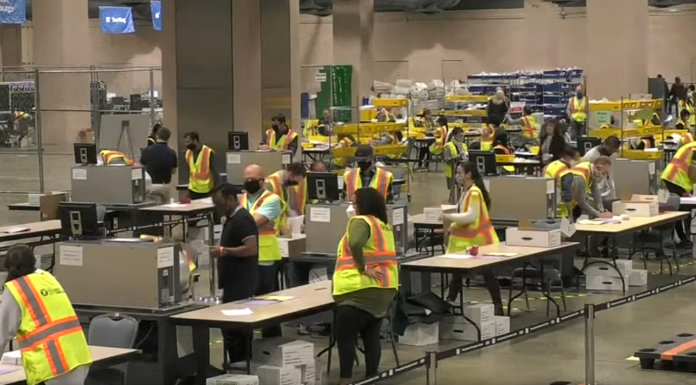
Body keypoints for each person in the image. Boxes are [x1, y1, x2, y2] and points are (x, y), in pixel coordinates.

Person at [0, 244, 92, 385]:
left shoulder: (15, 289)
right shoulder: (47, 278)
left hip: (54, 365)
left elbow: (1, 335)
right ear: (34, 262)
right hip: (78, 357)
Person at [333, 187, 398, 385]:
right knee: (371, 335)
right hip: (385, 289)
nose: (351, 207)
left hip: (359, 291)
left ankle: (345, 380)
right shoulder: (383, 226)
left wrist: (363, 267)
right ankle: (371, 377)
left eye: (354, 203)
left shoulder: (359, 221)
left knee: (345, 336)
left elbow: (355, 243)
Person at [444, 162, 503, 316]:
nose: (457, 176)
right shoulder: (466, 191)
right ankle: (449, 303)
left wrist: (448, 217)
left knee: (487, 274)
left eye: (459, 172)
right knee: (457, 275)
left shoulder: (474, 193)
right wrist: (453, 224)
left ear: (468, 175)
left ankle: (498, 305)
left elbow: (471, 216)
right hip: (469, 242)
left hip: (479, 241)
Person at [209, 184, 259, 364]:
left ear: (230, 199)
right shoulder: (230, 219)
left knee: (236, 327)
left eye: (220, 203)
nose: (218, 207)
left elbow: (250, 249)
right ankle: (236, 363)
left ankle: (241, 363)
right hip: (232, 281)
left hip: (241, 281)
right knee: (229, 327)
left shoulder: (242, 220)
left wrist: (224, 251)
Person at [240, 165, 285, 337]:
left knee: (268, 302)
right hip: (246, 256)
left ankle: (271, 337)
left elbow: (245, 223)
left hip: (266, 257)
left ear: (261, 180)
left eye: (252, 180)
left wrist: (245, 222)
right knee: (247, 301)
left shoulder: (272, 199)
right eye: (246, 180)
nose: (248, 183)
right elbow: (230, 221)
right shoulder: (241, 199)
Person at [660, 142, 696, 248]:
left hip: (673, 177)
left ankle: (683, 237)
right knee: (680, 210)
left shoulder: (692, 145)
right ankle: (680, 238)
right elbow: (693, 174)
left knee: (683, 209)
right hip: (676, 179)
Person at [140, 126, 177, 204]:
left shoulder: (146, 151)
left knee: (154, 212)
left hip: (152, 186)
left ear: (156, 136)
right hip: (165, 185)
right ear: (168, 137)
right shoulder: (172, 152)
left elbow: (141, 168)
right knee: (166, 210)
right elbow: (173, 171)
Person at [582, 136, 621, 208]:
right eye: (610, 150)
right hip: (591, 190)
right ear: (604, 145)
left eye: (613, 151)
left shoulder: (613, 155)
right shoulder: (591, 156)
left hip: (606, 189)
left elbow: (610, 173)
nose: (611, 153)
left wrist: (612, 193)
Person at [544, 146, 580, 217]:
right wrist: (571, 214)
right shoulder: (565, 171)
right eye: (576, 159)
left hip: (547, 206)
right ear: (568, 157)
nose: (577, 162)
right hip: (560, 211)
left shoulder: (551, 165)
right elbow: (567, 193)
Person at [184, 131, 220, 199]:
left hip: (207, 191)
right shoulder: (188, 153)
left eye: (188, 142)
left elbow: (216, 171)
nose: (186, 144)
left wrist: (217, 189)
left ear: (195, 141)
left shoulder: (208, 152)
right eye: (185, 142)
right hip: (193, 189)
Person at [443, 127, 468, 202]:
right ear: (454, 136)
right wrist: (457, 157)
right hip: (452, 171)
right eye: (460, 136)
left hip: (463, 170)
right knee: (453, 190)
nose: (462, 138)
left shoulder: (464, 145)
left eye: (463, 136)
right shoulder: (448, 146)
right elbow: (446, 160)